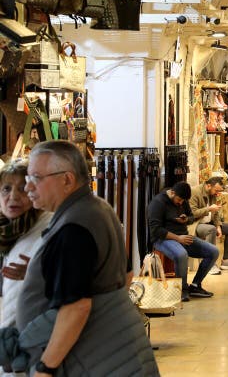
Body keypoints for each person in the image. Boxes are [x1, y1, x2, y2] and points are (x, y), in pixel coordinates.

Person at [14, 140, 157, 374]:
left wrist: (45, 367)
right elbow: (126, 275)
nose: (28, 187)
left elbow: (76, 308)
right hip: (108, 349)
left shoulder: (74, 226)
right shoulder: (98, 208)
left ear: (67, 180)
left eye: (36, 178)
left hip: (90, 357)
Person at [0, 160, 52, 330]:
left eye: (22, 188)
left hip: (33, 332)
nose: (13, 197)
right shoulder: (4, 232)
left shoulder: (49, 228)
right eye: (6, 189)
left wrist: (37, 273)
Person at [149, 181, 219, 301]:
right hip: (163, 239)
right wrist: (178, 238)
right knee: (181, 254)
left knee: (213, 251)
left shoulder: (183, 200)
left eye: (183, 201)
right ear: (172, 193)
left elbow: (191, 217)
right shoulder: (158, 203)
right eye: (179, 200)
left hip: (183, 237)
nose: (181, 203)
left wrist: (186, 219)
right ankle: (182, 289)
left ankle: (195, 286)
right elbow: (156, 230)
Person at [190, 176, 228, 273]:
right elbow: (192, 213)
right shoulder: (195, 192)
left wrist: (218, 225)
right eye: (216, 190)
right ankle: (210, 263)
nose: (217, 193)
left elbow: (216, 213)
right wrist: (209, 209)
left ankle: (227, 260)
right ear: (209, 186)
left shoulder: (213, 194)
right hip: (196, 224)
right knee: (211, 229)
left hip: (208, 222)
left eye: (219, 191)